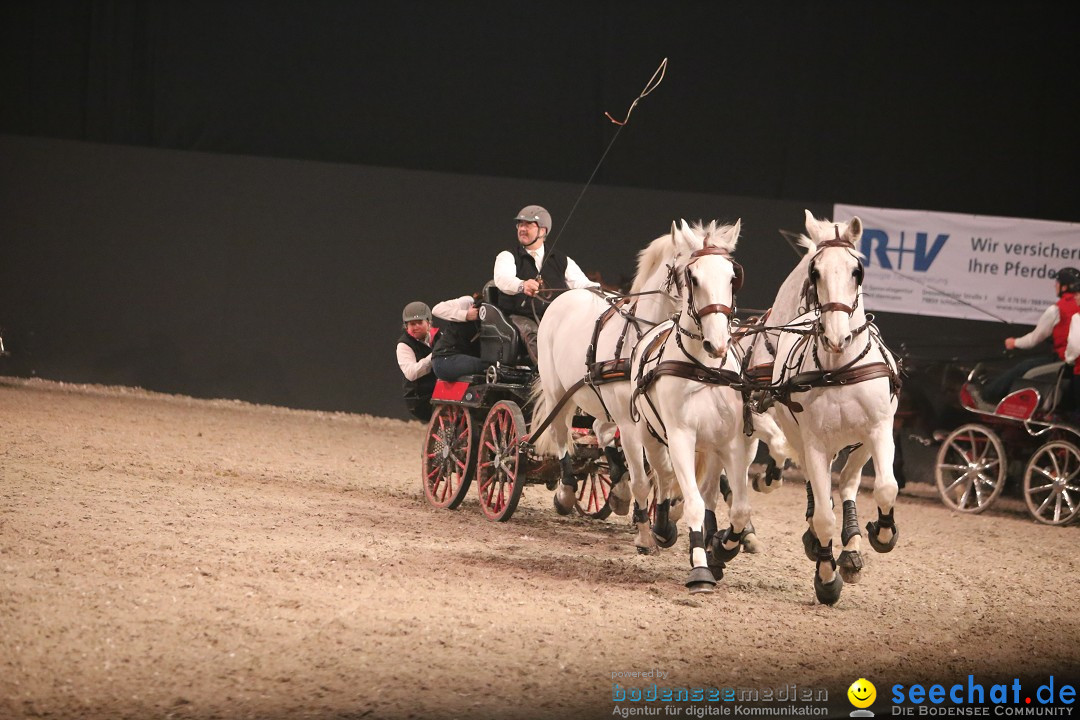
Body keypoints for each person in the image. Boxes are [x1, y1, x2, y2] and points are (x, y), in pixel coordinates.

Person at [492, 205, 599, 364]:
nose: (522, 228)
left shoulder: (561, 259)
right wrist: (522, 285)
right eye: (520, 224)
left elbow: (580, 282)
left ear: (543, 231)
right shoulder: (507, 256)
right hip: (519, 316)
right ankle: (543, 375)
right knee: (534, 334)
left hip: (553, 316)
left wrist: (598, 290)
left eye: (527, 225)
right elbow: (502, 278)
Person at [976, 267, 1080, 409]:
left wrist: (1014, 343)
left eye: (1057, 282)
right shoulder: (1074, 307)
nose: (1054, 285)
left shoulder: (1056, 309)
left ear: (1065, 286)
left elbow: (1033, 339)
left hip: (1066, 361)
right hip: (1070, 362)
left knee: (1025, 366)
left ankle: (987, 395)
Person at [430, 294, 493, 381]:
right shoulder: (468, 302)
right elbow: (437, 309)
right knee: (490, 368)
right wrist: (466, 315)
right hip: (445, 358)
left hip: (460, 357)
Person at [396, 301, 438, 421]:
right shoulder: (404, 345)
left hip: (437, 389)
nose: (416, 327)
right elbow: (411, 373)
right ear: (406, 326)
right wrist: (434, 356)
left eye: (420, 322)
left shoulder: (438, 336)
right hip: (420, 396)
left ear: (429, 323)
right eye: (412, 324)